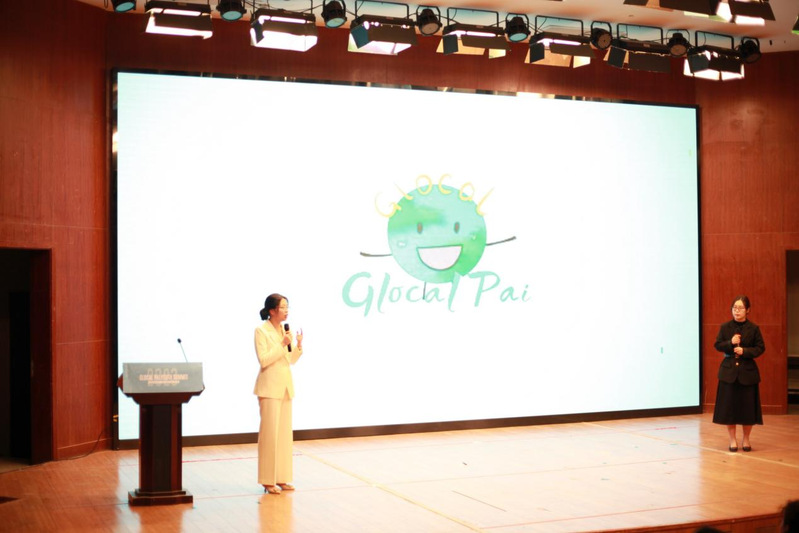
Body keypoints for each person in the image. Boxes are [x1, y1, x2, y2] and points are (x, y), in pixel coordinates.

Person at [254, 293, 303, 494]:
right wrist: (282, 344)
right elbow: (264, 360)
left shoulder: (284, 329)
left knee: (284, 435)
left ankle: (282, 478)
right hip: (269, 388)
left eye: (287, 307)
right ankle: (268, 480)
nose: (286, 311)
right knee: (270, 436)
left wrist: (298, 345)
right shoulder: (261, 331)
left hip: (285, 387)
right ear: (272, 310)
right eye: (283, 307)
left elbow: (290, 360)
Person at [712, 295, 765, 452]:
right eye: (734, 308)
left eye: (740, 308)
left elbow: (760, 348)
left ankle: (746, 439)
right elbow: (718, 345)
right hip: (728, 372)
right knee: (730, 408)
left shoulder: (754, 328)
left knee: (747, 408)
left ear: (748, 310)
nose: (737, 311)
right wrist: (730, 343)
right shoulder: (725, 327)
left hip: (747, 373)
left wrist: (745, 351)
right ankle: (732, 440)